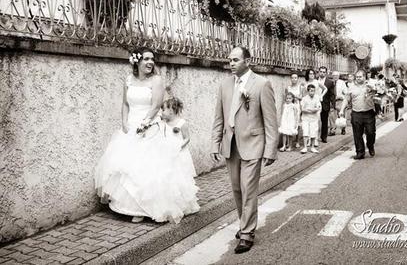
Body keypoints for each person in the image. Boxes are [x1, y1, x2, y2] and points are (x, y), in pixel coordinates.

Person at [94, 48, 200, 224]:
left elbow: (156, 105)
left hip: (150, 127)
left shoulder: (156, 80)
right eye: (146, 59)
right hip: (131, 127)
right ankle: (128, 207)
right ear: (137, 62)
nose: (150, 62)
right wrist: (124, 122)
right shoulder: (128, 80)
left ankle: (144, 209)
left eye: (152, 59)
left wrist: (144, 124)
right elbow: (125, 104)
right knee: (128, 166)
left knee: (148, 167)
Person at [210, 46, 278, 254]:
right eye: (230, 60)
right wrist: (215, 143)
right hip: (231, 144)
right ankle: (244, 223)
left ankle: (247, 233)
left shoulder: (262, 84)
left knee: (248, 189)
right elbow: (219, 117)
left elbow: (270, 121)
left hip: (254, 145)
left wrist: (270, 150)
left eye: (236, 60)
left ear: (248, 61)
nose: (231, 63)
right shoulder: (224, 85)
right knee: (237, 189)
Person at [339, 69, 376, 160]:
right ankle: (360, 152)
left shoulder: (370, 86)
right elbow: (346, 99)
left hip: (369, 113)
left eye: (360, 76)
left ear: (364, 77)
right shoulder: (351, 87)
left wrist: (374, 91)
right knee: (357, 134)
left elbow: (378, 95)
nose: (358, 78)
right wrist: (341, 110)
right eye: (357, 77)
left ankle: (370, 145)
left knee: (371, 132)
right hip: (356, 113)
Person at [162, 97, 197, 178]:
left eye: (164, 110)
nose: (162, 112)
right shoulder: (164, 123)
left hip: (180, 153)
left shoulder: (181, 123)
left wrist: (179, 146)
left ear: (170, 111)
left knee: (182, 175)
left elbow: (187, 138)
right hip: (168, 153)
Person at [304, 69, 326, 147]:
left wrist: (321, 96)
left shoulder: (317, 82)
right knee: (308, 122)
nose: (312, 75)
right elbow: (304, 93)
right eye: (310, 74)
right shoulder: (305, 83)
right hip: (308, 103)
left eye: (313, 73)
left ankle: (315, 139)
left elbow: (325, 89)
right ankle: (309, 140)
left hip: (316, 102)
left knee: (316, 121)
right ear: (307, 74)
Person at [300, 84, 321, 154]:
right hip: (305, 118)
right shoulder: (304, 99)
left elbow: (317, 108)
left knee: (313, 133)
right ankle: (305, 147)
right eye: (311, 91)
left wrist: (309, 109)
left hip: (314, 118)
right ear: (308, 91)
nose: (312, 92)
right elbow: (302, 109)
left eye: (313, 91)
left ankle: (312, 147)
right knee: (305, 132)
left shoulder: (317, 98)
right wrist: (312, 110)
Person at [317, 66, 336, 143]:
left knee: (324, 121)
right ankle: (314, 137)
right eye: (321, 71)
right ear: (318, 72)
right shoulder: (315, 80)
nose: (322, 73)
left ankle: (323, 137)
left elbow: (332, 94)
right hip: (315, 103)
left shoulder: (330, 82)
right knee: (315, 121)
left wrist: (332, 104)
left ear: (326, 73)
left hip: (325, 104)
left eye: (324, 72)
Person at [285, 73, 304, 148]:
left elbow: (303, 98)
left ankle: (297, 141)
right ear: (290, 79)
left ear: (298, 78)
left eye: (295, 78)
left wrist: (296, 97)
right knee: (289, 123)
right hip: (290, 107)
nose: (294, 79)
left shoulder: (301, 87)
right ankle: (289, 142)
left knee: (297, 124)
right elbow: (286, 98)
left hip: (297, 106)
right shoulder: (288, 88)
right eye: (292, 78)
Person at [328, 71, 348, 136]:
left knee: (341, 115)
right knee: (332, 116)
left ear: (339, 76)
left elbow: (346, 92)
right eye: (334, 75)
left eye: (336, 75)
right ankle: (333, 130)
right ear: (332, 76)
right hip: (332, 101)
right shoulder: (330, 82)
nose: (335, 77)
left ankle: (343, 129)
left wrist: (341, 97)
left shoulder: (342, 83)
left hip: (339, 101)